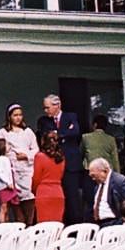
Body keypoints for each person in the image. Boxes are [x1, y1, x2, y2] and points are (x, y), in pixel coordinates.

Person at [36, 94, 87, 224]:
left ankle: (75, 229)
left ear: (57, 106)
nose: (45, 111)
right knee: (58, 200)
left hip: (71, 164)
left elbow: (75, 132)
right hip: (54, 165)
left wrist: (58, 133)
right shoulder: (44, 121)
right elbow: (46, 134)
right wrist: (64, 133)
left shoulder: (71, 116)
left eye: (47, 108)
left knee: (73, 199)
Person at [0, 104, 38, 225]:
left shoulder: (28, 132)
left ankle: (30, 227)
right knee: (15, 204)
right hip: (12, 172)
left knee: (29, 201)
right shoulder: (3, 132)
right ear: (9, 117)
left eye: (20, 115)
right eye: (15, 115)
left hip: (27, 171)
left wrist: (26, 155)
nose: (18, 118)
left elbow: (36, 150)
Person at [88, 158, 125, 227]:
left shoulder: (121, 182)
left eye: (94, 175)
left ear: (105, 171)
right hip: (99, 224)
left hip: (116, 223)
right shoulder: (98, 186)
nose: (93, 179)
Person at [32, 132, 67, 224]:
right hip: (58, 193)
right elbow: (61, 175)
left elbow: (36, 178)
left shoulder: (39, 157)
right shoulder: (61, 158)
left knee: (44, 228)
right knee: (56, 227)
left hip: (44, 193)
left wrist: (34, 190)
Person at [0, 138, 19, 224]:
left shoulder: (5, 159)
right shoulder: (0, 159)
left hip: (9, 186)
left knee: (7, 208)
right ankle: (2, 224)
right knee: (3, 207)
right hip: (4, 187)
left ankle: (6, 223)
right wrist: (8, 182)